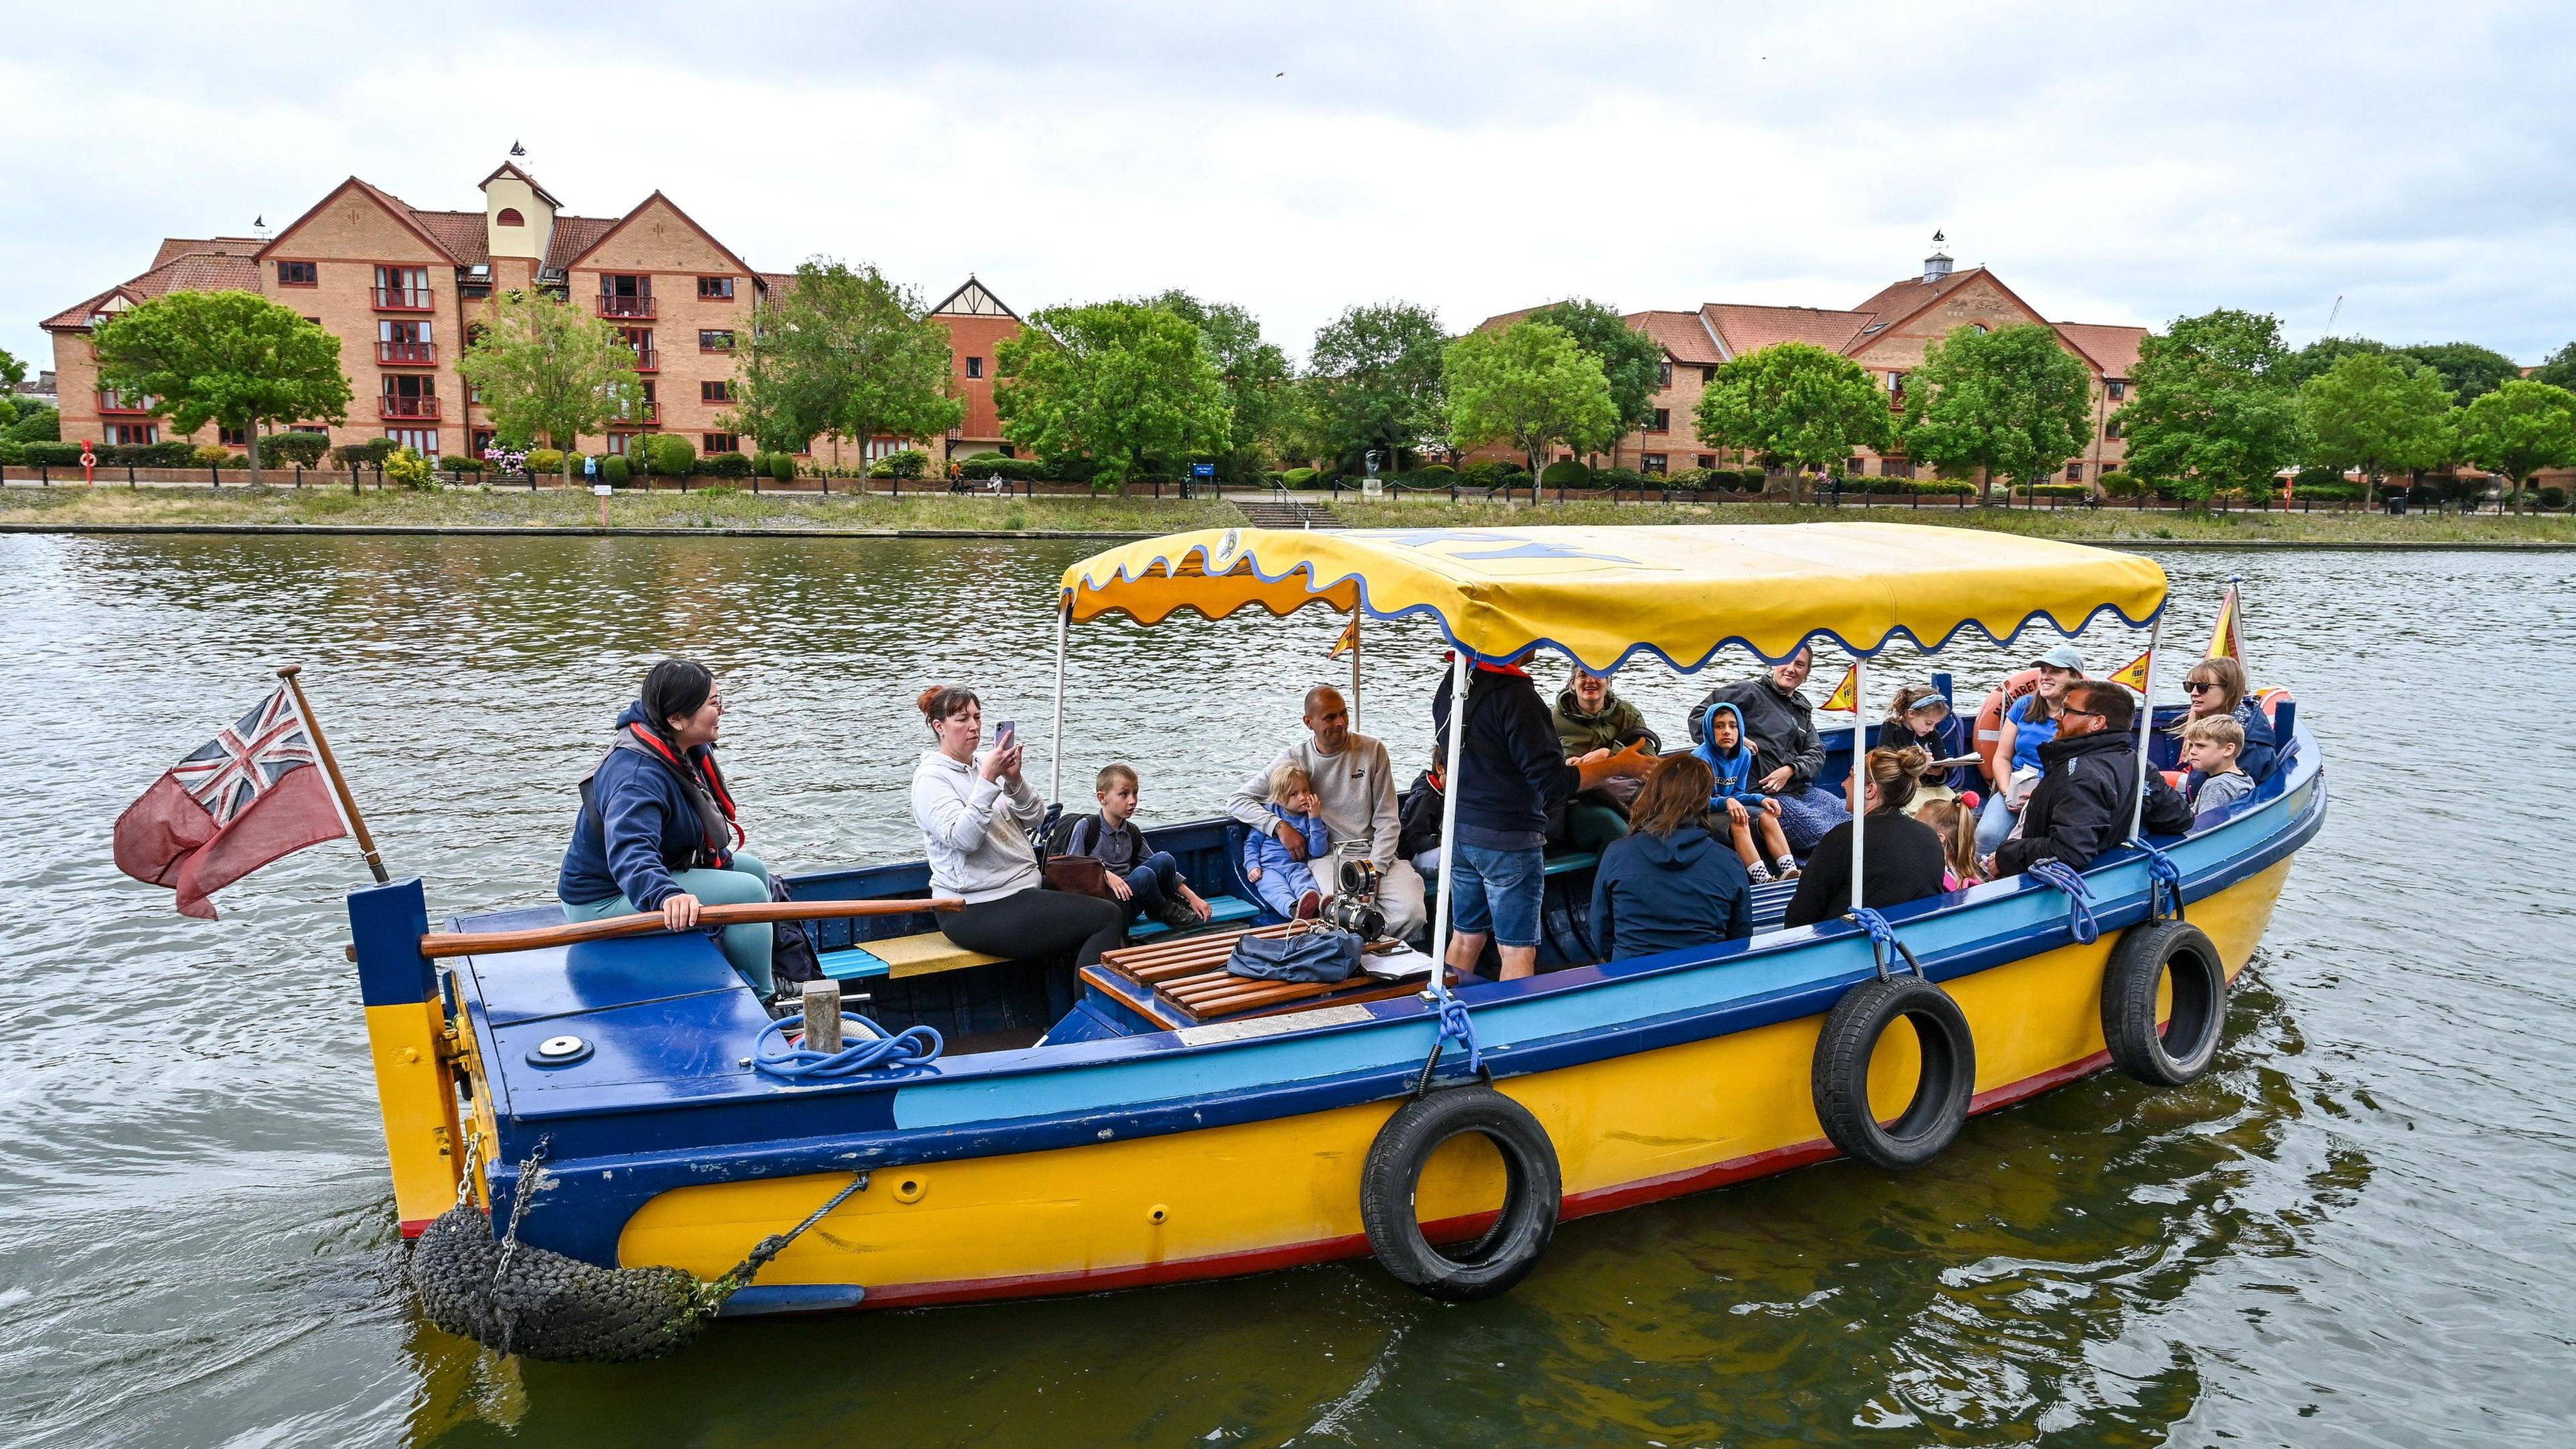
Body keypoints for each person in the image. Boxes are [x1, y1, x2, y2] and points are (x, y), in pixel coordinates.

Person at [559, 658, 778, 994]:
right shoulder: (636, 776)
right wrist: (666, 895)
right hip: (602, 900)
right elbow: (631, 852)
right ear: (676, 718)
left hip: (656, 869)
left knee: (755, 872)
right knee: (747, 894)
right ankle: (765, 1000)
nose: (721, 711)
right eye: (712, 704)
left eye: (720, 700)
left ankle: (748, 972)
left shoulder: (678, 744)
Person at [1433, 653, 1654, 981]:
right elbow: (1554, 785)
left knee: (1466, 937)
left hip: (1461, 831)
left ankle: (1445, 1011)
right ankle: (1516, 1028)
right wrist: (1620, 765)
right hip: (1509, 839)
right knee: (1516, 948)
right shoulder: (1518, 697)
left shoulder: (1455, 680)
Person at [910, 684, 1126, 969]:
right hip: (974, 907)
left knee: (1118, 902)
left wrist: (1014, 780)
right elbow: (964, 840)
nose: (974, 726)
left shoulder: (983, 764)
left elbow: (1036, 817)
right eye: (962, 719)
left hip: (1021, 890)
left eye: (977, 717)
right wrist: (988, 781)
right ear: (939, 727)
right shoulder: (931, 780)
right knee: (1105, 918)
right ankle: (1090, 1011)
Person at [1228, 685, 1428, 938]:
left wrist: (1375, 869)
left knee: (1413, 912)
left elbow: (1388, 822)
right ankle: (1364, 955)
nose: (1341, 723)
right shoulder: (1296, 759)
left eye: (1343, 714)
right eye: (1330, 717)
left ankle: (1376, 950)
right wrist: (1279, 827)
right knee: (1344, 914)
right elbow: (1238, 800)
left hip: (1374, 853)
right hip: (1328, 856)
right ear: (1308, 722)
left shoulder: (1373, 751)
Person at [1988, 680, 2194, 879]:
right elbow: (2178, 817)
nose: (2058, 718)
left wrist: (2008, 855)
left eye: (2066, 711)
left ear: (2097, 722)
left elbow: (2069, 851)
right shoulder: (2138, 763)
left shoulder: (2080, 776)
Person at [1588, 755, 1753, 961]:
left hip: (1631, 981)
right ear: (1704, 801)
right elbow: (1740, 939)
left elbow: (1601, 937)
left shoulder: (1616, 854)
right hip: (1705, 980)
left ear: (1653, 792)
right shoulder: (1729, 862)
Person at [1690, 645, 1849, 853]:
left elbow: (1816, 751)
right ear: (1774, 663)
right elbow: (1699, 717)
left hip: (1799, 790)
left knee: (1849, 817)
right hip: (1762, 795)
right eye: (1787, 660)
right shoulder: (1748, 692)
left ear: (1807, 674)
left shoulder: (1801, 708)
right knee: (1821, 832)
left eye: (1799, 665)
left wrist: (1792, 769)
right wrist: (1739, 740)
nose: (1791, 668)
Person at [1784, 745, 1951, 929]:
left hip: (1848, 948)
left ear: (1870, 790)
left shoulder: (1845, 839)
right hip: (1913, 942)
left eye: (1851, 776)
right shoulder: (1929, 837)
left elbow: (1800, 915)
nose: (1844, 784)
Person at [1065, 763, 1212, 931]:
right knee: (1144, 875)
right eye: (1124, 794)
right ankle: (1163, 909)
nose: (1132, 801)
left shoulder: (1132, 832)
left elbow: (1161, 867)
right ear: (1102, 798)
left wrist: (1193, 897)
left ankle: (1168, 904)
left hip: (1131, 898)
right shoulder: (1087, 827)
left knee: (1164, 859)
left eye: (1135, 793)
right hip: (1107, 906)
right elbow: (1072, 871)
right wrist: (1104, 873)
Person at [1976, 645, 2085, 855]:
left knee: (2037, 846)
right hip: (2015, 789)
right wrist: (2008, 792)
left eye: (2055, 672)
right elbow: (2002, 756)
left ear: (2075, 677)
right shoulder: (2023, 706)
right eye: (2043, 671)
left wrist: (2041, 798)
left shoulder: (2082, 718)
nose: (2046, 677)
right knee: (1986, 836)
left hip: (2058, 797)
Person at [1693, 701, 1797, 882]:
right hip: (1702, 814)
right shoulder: (1701, 759)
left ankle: (1790, 871)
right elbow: (1697, 803)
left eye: (1733, 726)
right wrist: (1725, 802)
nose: (1727, 731)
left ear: (1740, 729)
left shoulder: (1744, 755)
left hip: (1728, 807)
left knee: (1767, 815)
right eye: (1719, 726)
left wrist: (1760, 799)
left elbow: (1738, 793)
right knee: (1739, 821)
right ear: (1710, 730)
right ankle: (1763, 878)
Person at [1552, 667, 1658, 824]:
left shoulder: (1628, 714)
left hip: (1627, 790)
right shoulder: (1552, 718)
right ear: (1572, 684)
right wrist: (1568, 764)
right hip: (1577, 801)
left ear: (1608, 683)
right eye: (1583, 675)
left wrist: (1609, 754)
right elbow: (1541, 768)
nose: (1590, 681)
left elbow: (1650, 763)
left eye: (1598, 675)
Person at [1242, 761, 1329, 920]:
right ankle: (1293, 909)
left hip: (1297, 866)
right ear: (1280, 800)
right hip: (1269, 868)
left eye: (1305, 790)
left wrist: (1315, 818)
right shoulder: (1269, 813)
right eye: (1294, 794)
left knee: (1306, 885)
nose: (1302, 797)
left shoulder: (1309, 818)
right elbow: (1252, 844)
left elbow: (1318, 851)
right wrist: (1252, 866)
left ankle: (1316, 907)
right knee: (1274, 888)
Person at [2178, 655, 2279, 787]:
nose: (2194, 693)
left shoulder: (2247, 744)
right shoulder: (2218, 726)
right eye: (2190, 686)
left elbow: (2234, 799)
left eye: (2203, 687)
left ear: (2229, 690)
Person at [1882, 686, 1974, 815]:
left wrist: (1938, 772)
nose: (1931, 729)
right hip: (1905, 789)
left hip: (1933, 787)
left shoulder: (1933, 735)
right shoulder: (1891, 729)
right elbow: (1884, 765)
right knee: (1917, 810)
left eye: (1934, 725)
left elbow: (1942, 764)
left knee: (1956, 808)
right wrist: (1917, 763)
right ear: (1911, 714)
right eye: (1928, 723)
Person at [2178, 714, 2255, 820]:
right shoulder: (2244, 778)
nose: (2192, 752)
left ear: (2228, 749)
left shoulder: (2216, 786)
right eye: (2191, 746)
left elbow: (2206, 827)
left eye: (2201, 746)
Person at [1915, 796, 1982, 891]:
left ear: (1938, 839)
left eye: (1916, 827)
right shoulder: (1969, 876)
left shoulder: (1931, 876)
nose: (1911, 829)